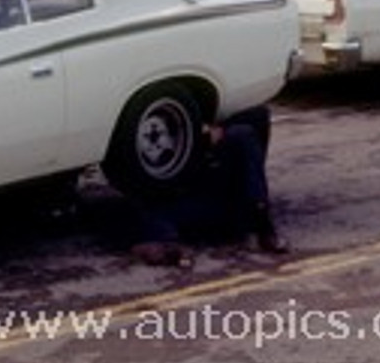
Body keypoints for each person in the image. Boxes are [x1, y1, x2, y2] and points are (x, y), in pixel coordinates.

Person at [120, 105, 289, 265]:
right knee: (153, 204)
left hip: (227, 194)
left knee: (243, 133)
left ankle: (262, 222)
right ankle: (169, 248)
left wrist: (216, 130)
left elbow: (259, 115)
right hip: (191, 198)